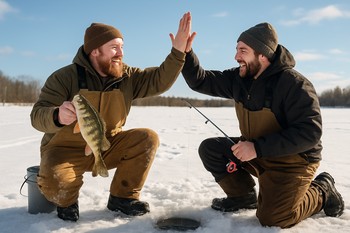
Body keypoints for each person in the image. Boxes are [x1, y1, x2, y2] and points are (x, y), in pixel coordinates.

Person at [30, 12, 193, 221]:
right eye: (114, 47)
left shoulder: (127, 76)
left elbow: (158, 80)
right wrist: (57, 115)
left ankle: (122, 198)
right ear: (95, 51)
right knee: (56, 186)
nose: (121, 53)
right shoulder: (64, 77)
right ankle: (68, 200)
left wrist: (178, 52)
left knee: (147, 138)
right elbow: (37, 116)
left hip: (106, 144)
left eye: (122, 47)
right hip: (63, 150)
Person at [181, 22, 344, 228]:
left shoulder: (294, 85)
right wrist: (186, 53)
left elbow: (310, 132)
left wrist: (257, 148)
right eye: (236, 49)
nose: (236, 57)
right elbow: (200, 80)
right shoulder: (239, 78)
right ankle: (242, 196)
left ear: (263, 55)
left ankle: (322, 190)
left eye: (243, 51)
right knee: (212, 149)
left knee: (274, 218)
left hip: (293, 162)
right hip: (257, 153)